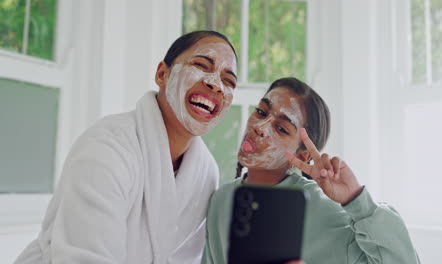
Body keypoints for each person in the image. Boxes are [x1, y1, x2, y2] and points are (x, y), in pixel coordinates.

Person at [14, 30, 238, 264]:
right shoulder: (108, 146)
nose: (216, 85)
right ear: (162, 74)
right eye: (202, 65)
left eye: (229, 80)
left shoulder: (205, 173)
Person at [202, 77, 420, 263]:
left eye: (281, 128)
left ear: (302, 155)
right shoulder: (220, 199)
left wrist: (356, 200)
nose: (259, 127)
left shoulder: (324, 211)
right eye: (261, 111)